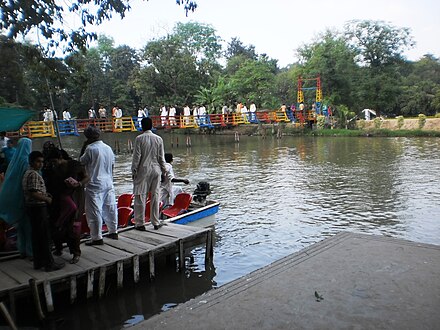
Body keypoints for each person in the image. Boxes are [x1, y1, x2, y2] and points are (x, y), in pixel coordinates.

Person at [22, 151, 65, 271]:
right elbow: (33, 192)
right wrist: (47, 199)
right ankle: (49, 263)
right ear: (31, 162)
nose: (40, 164)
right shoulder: (34, 174)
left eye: (42, 162)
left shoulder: (28, 172)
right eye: (38, 162)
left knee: (37, 236)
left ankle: (39, 262)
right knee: (44, 237)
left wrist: (45, 194)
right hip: (38, 207)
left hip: (32, 207)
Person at [45, 148, 88, 264]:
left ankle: (76, 253)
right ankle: (59, 248)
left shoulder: (74, 165)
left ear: (60, 158)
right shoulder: (52, 169)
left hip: (74, 198)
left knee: (73, 227)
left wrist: (78, 183)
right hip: (59, 199)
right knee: (57, 224)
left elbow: (86, 177)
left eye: (54, 161)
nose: (53, 164)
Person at [80, 126, 118, 245]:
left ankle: (97, 237)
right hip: (108, 182)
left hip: (94, 184)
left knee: (94, 211)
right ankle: (113, 231)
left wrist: (84, 147)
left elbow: (81, 162)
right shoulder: (108, 148)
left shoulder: (90, 149)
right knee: (111, 207)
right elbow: (112, 166)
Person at [132, 117, 167, 231]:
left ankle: (140, 223)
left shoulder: (139, 139)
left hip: (143, 169)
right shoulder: (159, 139)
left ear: (142, 126)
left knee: (140, 196)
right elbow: (161, 158)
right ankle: (155, 222)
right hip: (156, 169)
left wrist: (134, 170)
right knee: (155, 196)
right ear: (152, 126)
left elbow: (137, 157)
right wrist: (164, 171)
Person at [0, 138, 33, 258]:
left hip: (15, 198)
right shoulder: (27, 162)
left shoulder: (14, 161)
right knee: (29, 228)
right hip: (24, 198)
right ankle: (31, 252)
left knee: (21, 228)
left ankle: (22, 250)